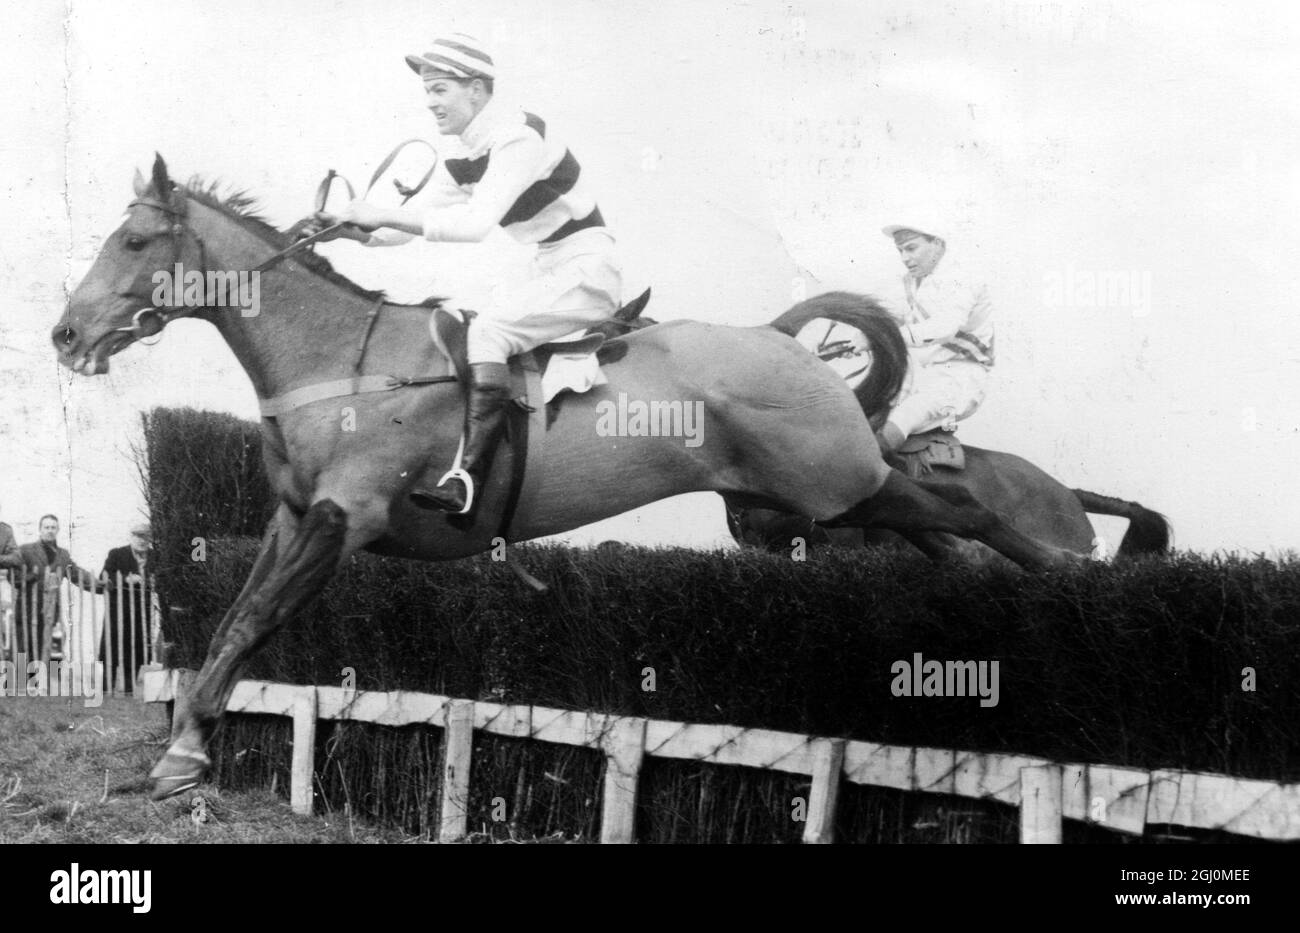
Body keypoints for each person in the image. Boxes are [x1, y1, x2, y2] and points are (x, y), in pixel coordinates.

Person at [297, 32, 622, 517]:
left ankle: (467, 479)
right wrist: (350, 230)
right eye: (427, 90)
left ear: (476, 88)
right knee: (472, 326)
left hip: (587, 267)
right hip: (548, 265)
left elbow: (472, 226)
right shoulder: (463, 154)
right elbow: (407, 231)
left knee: (489, 330)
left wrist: (381, 213)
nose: (429, 102)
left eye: (440, 89)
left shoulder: (518, 136)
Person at [874, 222, 994, 455]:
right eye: (900, 251)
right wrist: (863, 334)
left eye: (911, 248)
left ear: (937, 244)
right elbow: (886, 314)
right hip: (920, 375)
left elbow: (944, 327)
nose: (904, 258)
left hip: (959, 378)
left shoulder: (965, 278)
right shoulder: (910, 281)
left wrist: (881, 336)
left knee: (902, 419)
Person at [16, 515, 99, 661]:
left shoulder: (63, 555)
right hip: (27, 610)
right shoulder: (26, 551)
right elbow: (14, 575)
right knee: (26, 648)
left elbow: (77, 574)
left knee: (51, 648)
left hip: (51, 612)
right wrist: (30, 577)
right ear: (40, 530)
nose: (50, 531)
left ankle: (45, 681)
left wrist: (100, 585)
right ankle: (25, 682)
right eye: (46, 527)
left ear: (58, 530)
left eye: (53, 527)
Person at [100, 523, 154, 694]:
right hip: (119, 610)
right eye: (138, 536)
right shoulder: (117, 554)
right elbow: (104, 576)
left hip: (142, 611)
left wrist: (154, 582)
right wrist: (125, 578)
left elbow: (163, 577)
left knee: (137, 648)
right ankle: (106, 686)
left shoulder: (155, 556)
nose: (141, 540)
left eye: (145, 537)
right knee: (112, 648)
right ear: (131, 537)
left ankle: (130, 688)